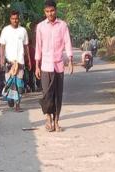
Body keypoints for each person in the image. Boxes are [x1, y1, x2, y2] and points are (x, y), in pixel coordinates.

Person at [35, 0, 73, 132]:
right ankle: (48, 118)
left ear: (55, 11)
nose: (50, 13)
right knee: (47, 94)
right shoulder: (40, 27)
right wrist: (37, 66)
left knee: (58, 95)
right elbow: (38, 46)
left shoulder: (62, 25)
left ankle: (56, 121)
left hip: (58, 65)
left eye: (52, 11)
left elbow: (67, 42)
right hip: (45, 66)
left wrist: (70, 60)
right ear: (44, 12)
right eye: (47, 11)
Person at [0, 10, 31, 112]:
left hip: (20, 62)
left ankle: (18, 105)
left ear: (19, 19)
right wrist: (1, 60)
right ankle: (10, 99)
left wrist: (29, 60)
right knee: (9, 82)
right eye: (13, 18)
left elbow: (26, 47)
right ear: (10, 19)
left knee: (19, 84)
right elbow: (2, 46)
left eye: (16, 18)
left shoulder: (23, 31)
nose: (15, 20)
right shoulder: (5, 30)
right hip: (9, 62)